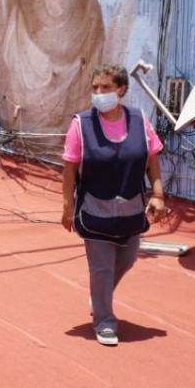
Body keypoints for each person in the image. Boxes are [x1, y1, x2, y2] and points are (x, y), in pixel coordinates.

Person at [61, 64, 166, 347]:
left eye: (105, 88)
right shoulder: (80, 124)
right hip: (95, 209)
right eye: (94, 88)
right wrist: (67, 207)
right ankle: (105, 321)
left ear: (121, 90)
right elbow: (69, 169)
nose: (98, 93)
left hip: (131, 209)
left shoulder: (139, 119)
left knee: (128, 259)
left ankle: (99, 296)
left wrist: (158, 195)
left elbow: (152, 161)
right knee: (102, 268)